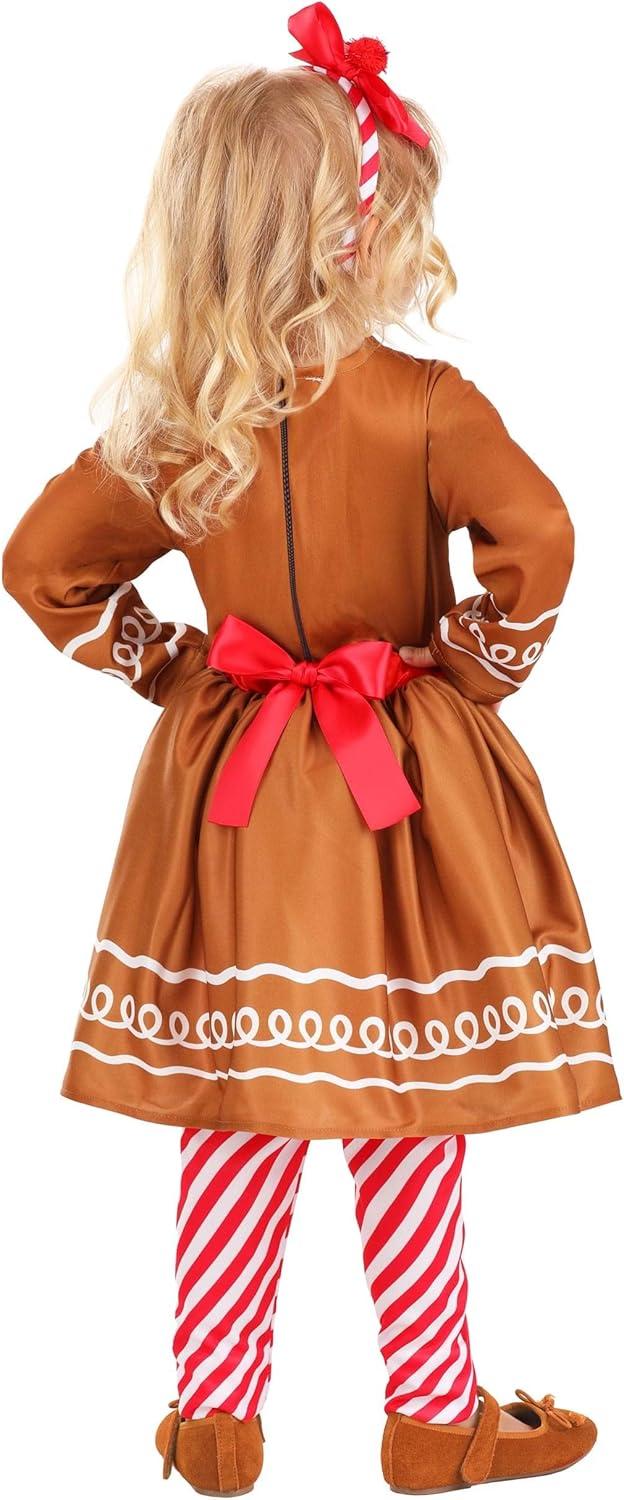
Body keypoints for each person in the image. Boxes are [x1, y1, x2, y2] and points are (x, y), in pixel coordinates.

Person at [3, 5, 619, 1495]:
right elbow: (539, 537)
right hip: (394, 794)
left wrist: (174, 670)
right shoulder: (425, 406)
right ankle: (435, 1415)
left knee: (239, 1099)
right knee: (401, 1097)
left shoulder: (177, 426)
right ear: (360, 233)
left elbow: (41, 564)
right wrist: (466, 672)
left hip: (230, 801)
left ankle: (214, 1423)